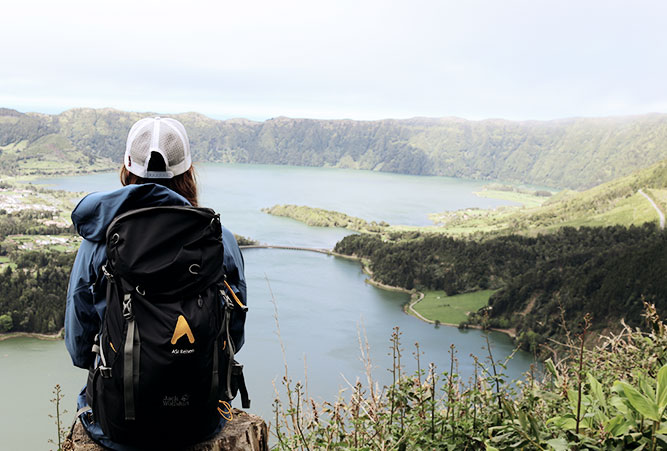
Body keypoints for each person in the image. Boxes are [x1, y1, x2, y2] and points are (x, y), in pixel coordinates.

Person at [65, 117, 247, 449]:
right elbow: (234, 333)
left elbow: (79, 345)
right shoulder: (220, 240)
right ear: (189, 173)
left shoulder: (98, 243)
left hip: (117, 426)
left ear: (126, 170)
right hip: (202, 421)